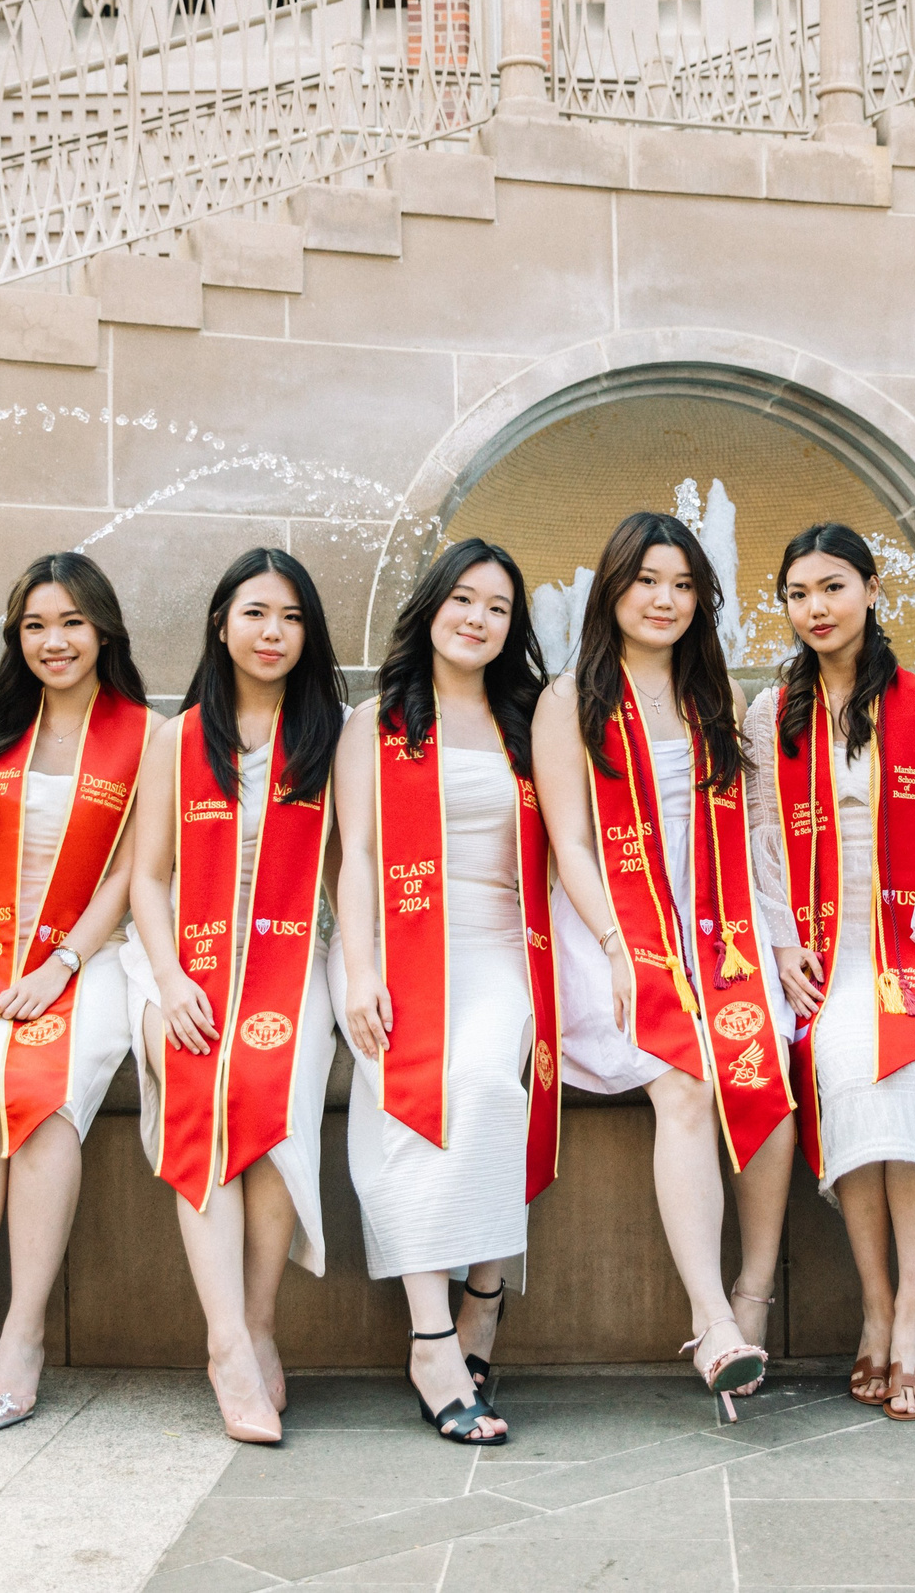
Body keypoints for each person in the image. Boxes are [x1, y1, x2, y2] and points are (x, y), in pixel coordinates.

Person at [531, 511, 797, 1423]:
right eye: (648, 579)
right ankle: (713, 1318)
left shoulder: (711, 696)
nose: (666, 599)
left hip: (715, 917)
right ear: (612, 587)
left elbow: (756, 833)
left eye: (684, 584)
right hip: (611, 922)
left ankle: (751, 1295)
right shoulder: (571, 699)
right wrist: (615, 947)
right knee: (686, 1077)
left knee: (763, 1057)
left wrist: (783, 936)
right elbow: (568, 840)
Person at [743, 525, 915, 1422]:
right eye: (799, 593)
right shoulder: (773, 714)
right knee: (846, 1060)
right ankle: (875, 1300)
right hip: (824, 944)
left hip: (910, 938)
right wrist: (780, 946)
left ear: (873, 588)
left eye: (833, 587)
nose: (816, 608)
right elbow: (761, 842)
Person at [334, 538, 563, 1447]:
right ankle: (433, 1341)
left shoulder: (530, 719)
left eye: (498, 607)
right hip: (400, 943)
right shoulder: (378, 722)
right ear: (431, 609)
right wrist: (359, 971)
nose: (478, 618)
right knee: (405, 1089)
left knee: (480, 1082)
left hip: (504, 945)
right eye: (463, 599)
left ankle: (483, 1299)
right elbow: (354, 857)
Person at [0, 552, 155, 1435]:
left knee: (45, 1096)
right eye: (34, 626)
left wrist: (62, 961)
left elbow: (136, 871)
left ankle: (21, 1337)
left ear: (103, 628)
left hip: (87, 957)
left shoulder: (143, 734)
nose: (53, 641)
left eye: (70, 623)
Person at [126, 547, 346, 1444]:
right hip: (186, 954)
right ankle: (225, 1343)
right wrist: (172, 980)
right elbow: (146, 878)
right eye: (256, 613)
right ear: (222, 623)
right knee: (201, 1083)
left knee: (276, 1092)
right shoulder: (175, 740)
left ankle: (259, 1318)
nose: (273, 632)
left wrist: (360, 968)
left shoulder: (332, 736)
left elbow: (351, 870)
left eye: (291, 617)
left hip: (294, 958)